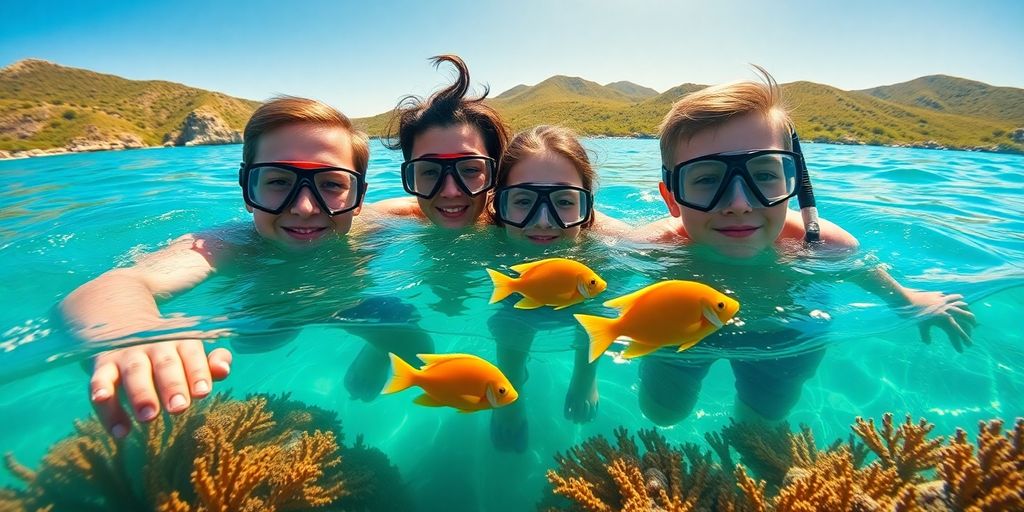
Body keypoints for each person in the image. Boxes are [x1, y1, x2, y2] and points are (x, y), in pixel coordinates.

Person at [61, 96, 431, 437]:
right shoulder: (229, 245)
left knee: (416, 345)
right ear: (247, 190)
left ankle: (377, 347)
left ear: (359, 196)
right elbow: (120, 283)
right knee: (255, 344)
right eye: (279, 181)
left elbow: (426, 205)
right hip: (268, 310)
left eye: (331, 184)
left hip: (349, 302)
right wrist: (131, 330)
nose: (304, 207)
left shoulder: (375, 224)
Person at [633, 69, 977, 427]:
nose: (738, 203)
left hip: (783, 339)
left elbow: (862, 270)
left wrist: (906, 300)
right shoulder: (654, 246)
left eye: (764, 175)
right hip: (680, 331)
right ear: (671, 198)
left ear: (792, 182)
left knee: (758, 428)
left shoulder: (821, 244)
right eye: (706, 179)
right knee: (662, 415)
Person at [486, 125, 629, 452]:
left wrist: (585, 378)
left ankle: (583, 376)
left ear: (587, 208)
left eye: (564, 201)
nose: (543, 220)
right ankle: (511, 380)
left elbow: (599, 323)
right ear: (498, 205)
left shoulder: (610, 247)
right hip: (517, 301)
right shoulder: (488, 238)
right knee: (510, 323)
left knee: (592, 313)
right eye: (523, 200)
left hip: (582, 300)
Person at [365, 54, 511, 229]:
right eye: (430, 172)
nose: (450, 191)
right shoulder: (386, 219)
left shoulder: (522, 222)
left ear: (494, 175)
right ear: (412, 177)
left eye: (470, 170)